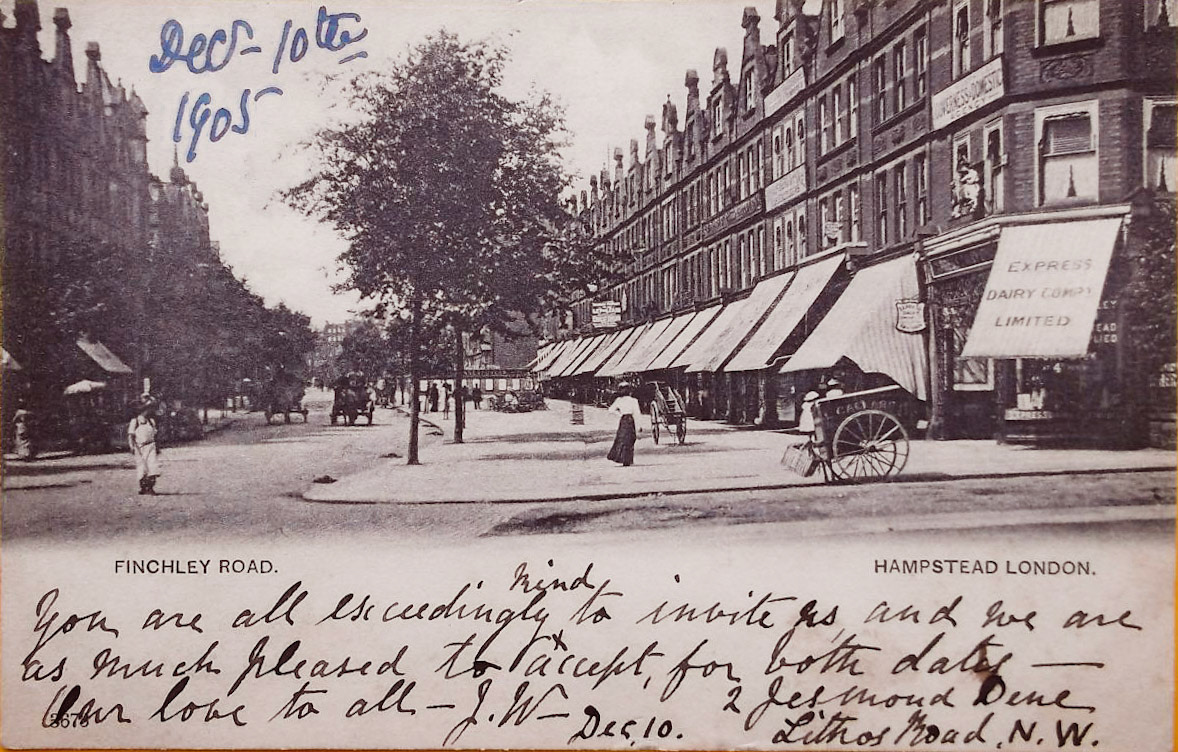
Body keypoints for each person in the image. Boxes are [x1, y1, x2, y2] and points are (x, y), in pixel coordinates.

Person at [128, 401, 161, 495]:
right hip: (139, 447)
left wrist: (157, 446)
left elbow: (155, 435)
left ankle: (150, 487)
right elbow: (131, 435)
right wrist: (131, 446)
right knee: (142, 467)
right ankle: (143, 487)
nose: (148, 412)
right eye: (146, 410)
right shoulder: (135, 421)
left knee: (152, 466)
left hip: (151, 446)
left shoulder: (151, 421)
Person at [606, 382, 643, 466]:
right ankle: (628, 459)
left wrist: (620, 414)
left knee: (622, 439)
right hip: (630, 420)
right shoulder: (634, 400)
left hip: (623, 420)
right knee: (630, 439)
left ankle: (622, 458)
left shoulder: (619, 400)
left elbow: (611, 410)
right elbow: (637, 413)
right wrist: (639, 426)